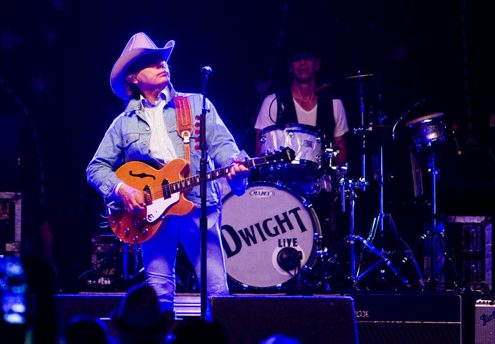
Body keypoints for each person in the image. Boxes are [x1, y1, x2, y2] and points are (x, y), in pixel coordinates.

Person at [86, 32, 250, 319]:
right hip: (152, 213)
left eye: (162, 60)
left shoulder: (197, 104)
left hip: (198, 205)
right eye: (152, 62)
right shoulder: (123, 123)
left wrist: (237, 167)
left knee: (216, 290)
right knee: (159, 292)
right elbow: (96, 168)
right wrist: (123, 189)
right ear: (134, 78)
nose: (162, 65)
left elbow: (225, 149)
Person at [254, 46, 350, 284]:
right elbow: (260, 144)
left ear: (317, 64)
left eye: (308, 59)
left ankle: (322, 275)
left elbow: (341, 147)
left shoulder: (334, 105)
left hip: (321, 186)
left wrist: (334, 172)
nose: (303, 64)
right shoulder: (274, 101)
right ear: (290, 67)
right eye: (297, 60)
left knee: (326, 233)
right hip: (282, 186)